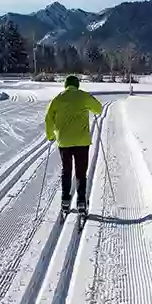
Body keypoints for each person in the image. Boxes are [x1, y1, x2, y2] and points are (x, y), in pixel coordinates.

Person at [44, 74, 103, 215]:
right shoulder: (83, 96)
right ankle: (81, 202)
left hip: (64, 141)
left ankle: (65, 200)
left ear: (65, 85)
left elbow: (48, 118)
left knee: (67, 170)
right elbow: (99, 109)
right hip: (82, 141)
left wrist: (50, 136)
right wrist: (91, 108)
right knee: (81, 172)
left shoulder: (57, 99)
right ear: (77, 85)